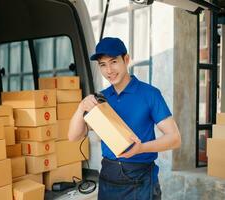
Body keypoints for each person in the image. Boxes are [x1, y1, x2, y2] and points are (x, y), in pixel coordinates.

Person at [68, 37, 181, 200]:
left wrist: (141, 148)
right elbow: (73, 136)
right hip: (109, 177)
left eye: (113, 61)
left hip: (141, 179)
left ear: (126, 59)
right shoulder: (101, 99)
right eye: (103, 65)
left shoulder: (149, 94)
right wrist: (80, 108)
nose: (109, 70)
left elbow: (175, 138)